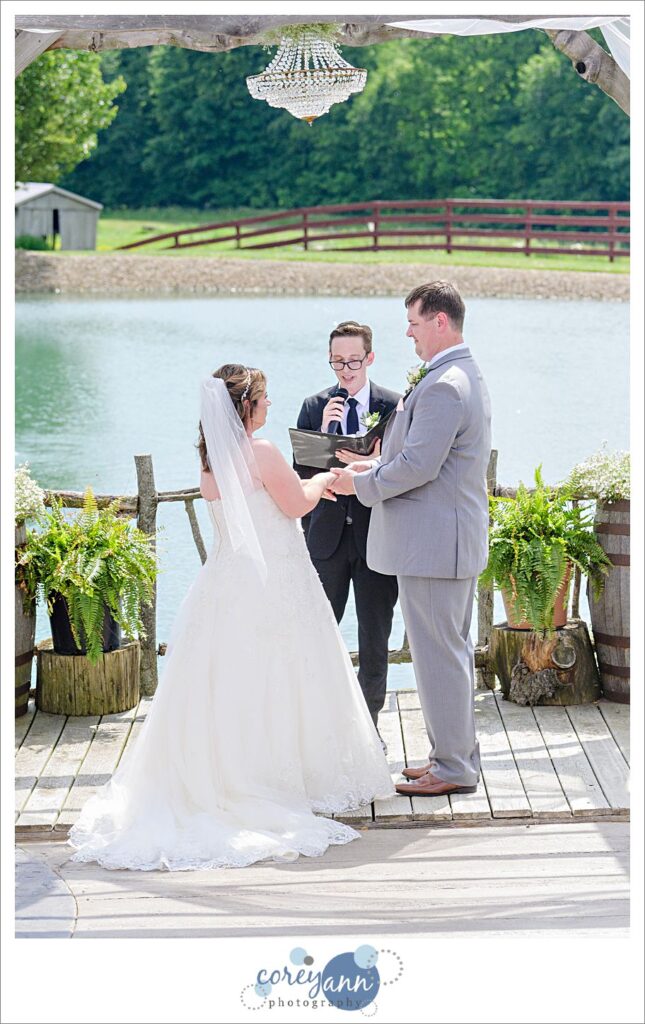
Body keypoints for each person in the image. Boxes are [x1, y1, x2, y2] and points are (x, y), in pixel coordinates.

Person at [66, 364, 394, 871]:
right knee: (284, 676)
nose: (268, 408)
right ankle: (279, 778)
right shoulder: (260, 452)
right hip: (274, 581)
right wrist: (326, 477)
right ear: (246, 407)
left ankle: (228, 772)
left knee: (229, 684)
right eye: (263, 401)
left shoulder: (211, 462)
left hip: (223, 583)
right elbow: (293, 504)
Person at [331, 282, 492, 797]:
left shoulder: (445, 384)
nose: (408, 332)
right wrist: (374, 464)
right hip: (441, 543)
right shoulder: (455, 375)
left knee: (440, 657)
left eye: (415, 323)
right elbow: (423, 459)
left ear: (440, 322)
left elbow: (421, 467)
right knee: (448, 653)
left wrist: (359, 483)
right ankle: (452, 757)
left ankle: (454, 769)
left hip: (435, 547)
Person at [294, 322, 400, 737]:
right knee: (318, 636)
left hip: (377, 537)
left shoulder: (394, 405)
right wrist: (325, 430)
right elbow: (300, 474)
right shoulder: (313, 405)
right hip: (327, 540)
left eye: (353, 361)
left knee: (375, 638)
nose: (346, 370)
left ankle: (369, 733)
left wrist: (379, 458)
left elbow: (404, 468)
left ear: (370, 358)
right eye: (337, 362)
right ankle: (319, 728)